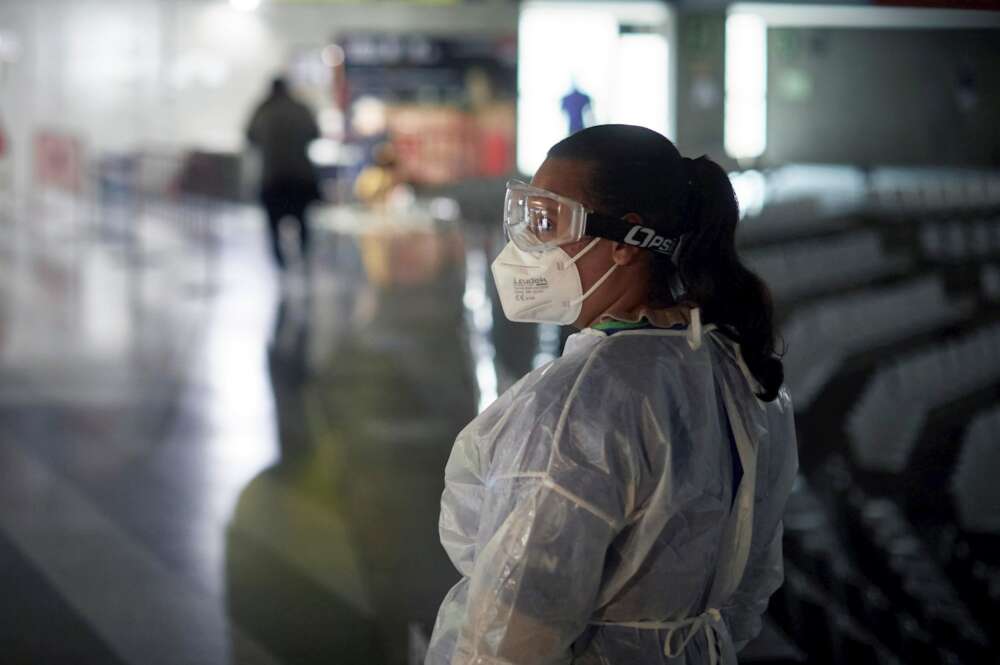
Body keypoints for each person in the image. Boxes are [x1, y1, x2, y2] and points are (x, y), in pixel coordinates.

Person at [425, 124, 798, 665]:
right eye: (527, 218)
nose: (526, 244)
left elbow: (512, 634)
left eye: (548, 223)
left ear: (626, 244)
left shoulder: (576, 405)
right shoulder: (738, 370)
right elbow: (750, 584)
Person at [246, 76, 320, 269]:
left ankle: (281, 265)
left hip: (272, 176)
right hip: (301, 175)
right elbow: (315, 133)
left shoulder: (263, 110)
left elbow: (249, 136)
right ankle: (303, 259)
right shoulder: (300, 109)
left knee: (273, 225)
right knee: (302, 220)